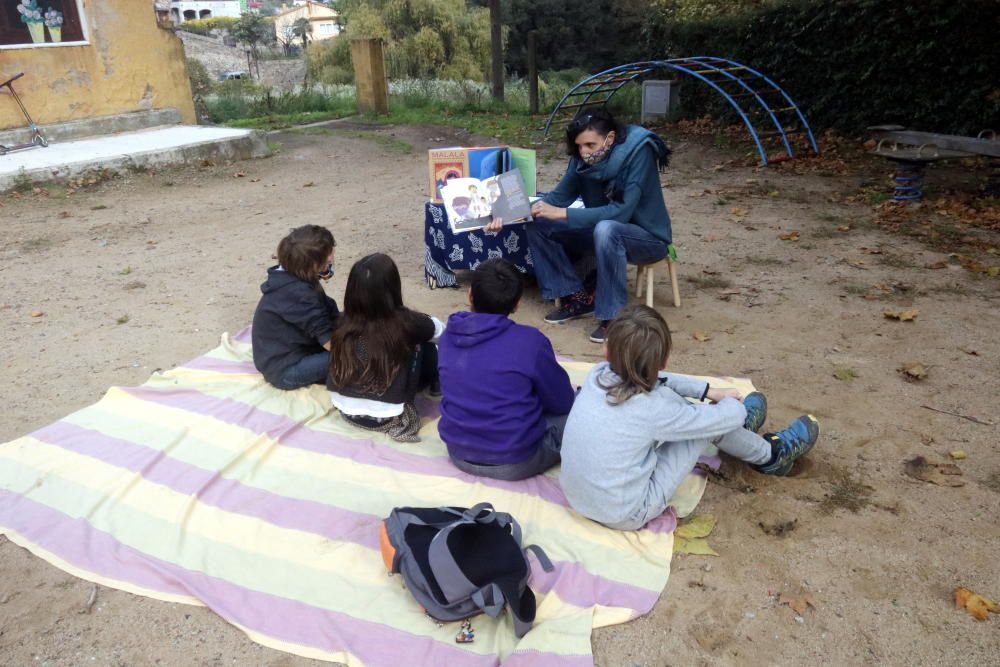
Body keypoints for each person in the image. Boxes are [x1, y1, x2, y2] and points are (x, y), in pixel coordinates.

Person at [559, 305, 820, 531]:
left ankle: (740, 438)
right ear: (664, 361)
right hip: (626, 514)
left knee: (697, 416)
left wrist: (708, 391)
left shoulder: (598, 374)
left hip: (577, 499)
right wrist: (729, 403)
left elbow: (661, 380)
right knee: (703, 424)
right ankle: (772, 456)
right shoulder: (655, 408)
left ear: (607, 353)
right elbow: (732, 412)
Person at [527, 107, 673, 343]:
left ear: (610, 138)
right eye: (579, 146)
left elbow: (621, 212)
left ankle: (613, 318)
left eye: (590, 146)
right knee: (539, 222)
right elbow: (559, 197)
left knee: (607, 228)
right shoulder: (581, 157)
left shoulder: (639, 151)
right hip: (602, 232)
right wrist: (518, 212)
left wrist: (563, 213)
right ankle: (576, 297)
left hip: (647, 237)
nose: (583, 152)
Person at [438, 258, 575, 480]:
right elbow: (562, 402)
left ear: (470, 294)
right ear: (517, 303)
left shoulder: (447, 337)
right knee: (580, 413)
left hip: (459, 452)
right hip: (517, 460)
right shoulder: (531, 342)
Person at [326, 253, 442, 442]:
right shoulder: (406, 322)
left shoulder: (341, 322)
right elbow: (440, 330)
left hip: (346, 412)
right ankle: (435, 386)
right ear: (393, 288)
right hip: (391, 418)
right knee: (427, 347)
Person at [252, 225, 338, 390]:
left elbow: (327, 315)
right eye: (328, 254)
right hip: (285, 370)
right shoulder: (299, 295)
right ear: (312, 263)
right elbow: (330, 343)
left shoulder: (291, 277)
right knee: (356, 356)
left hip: (292, 352)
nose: (331, 258)